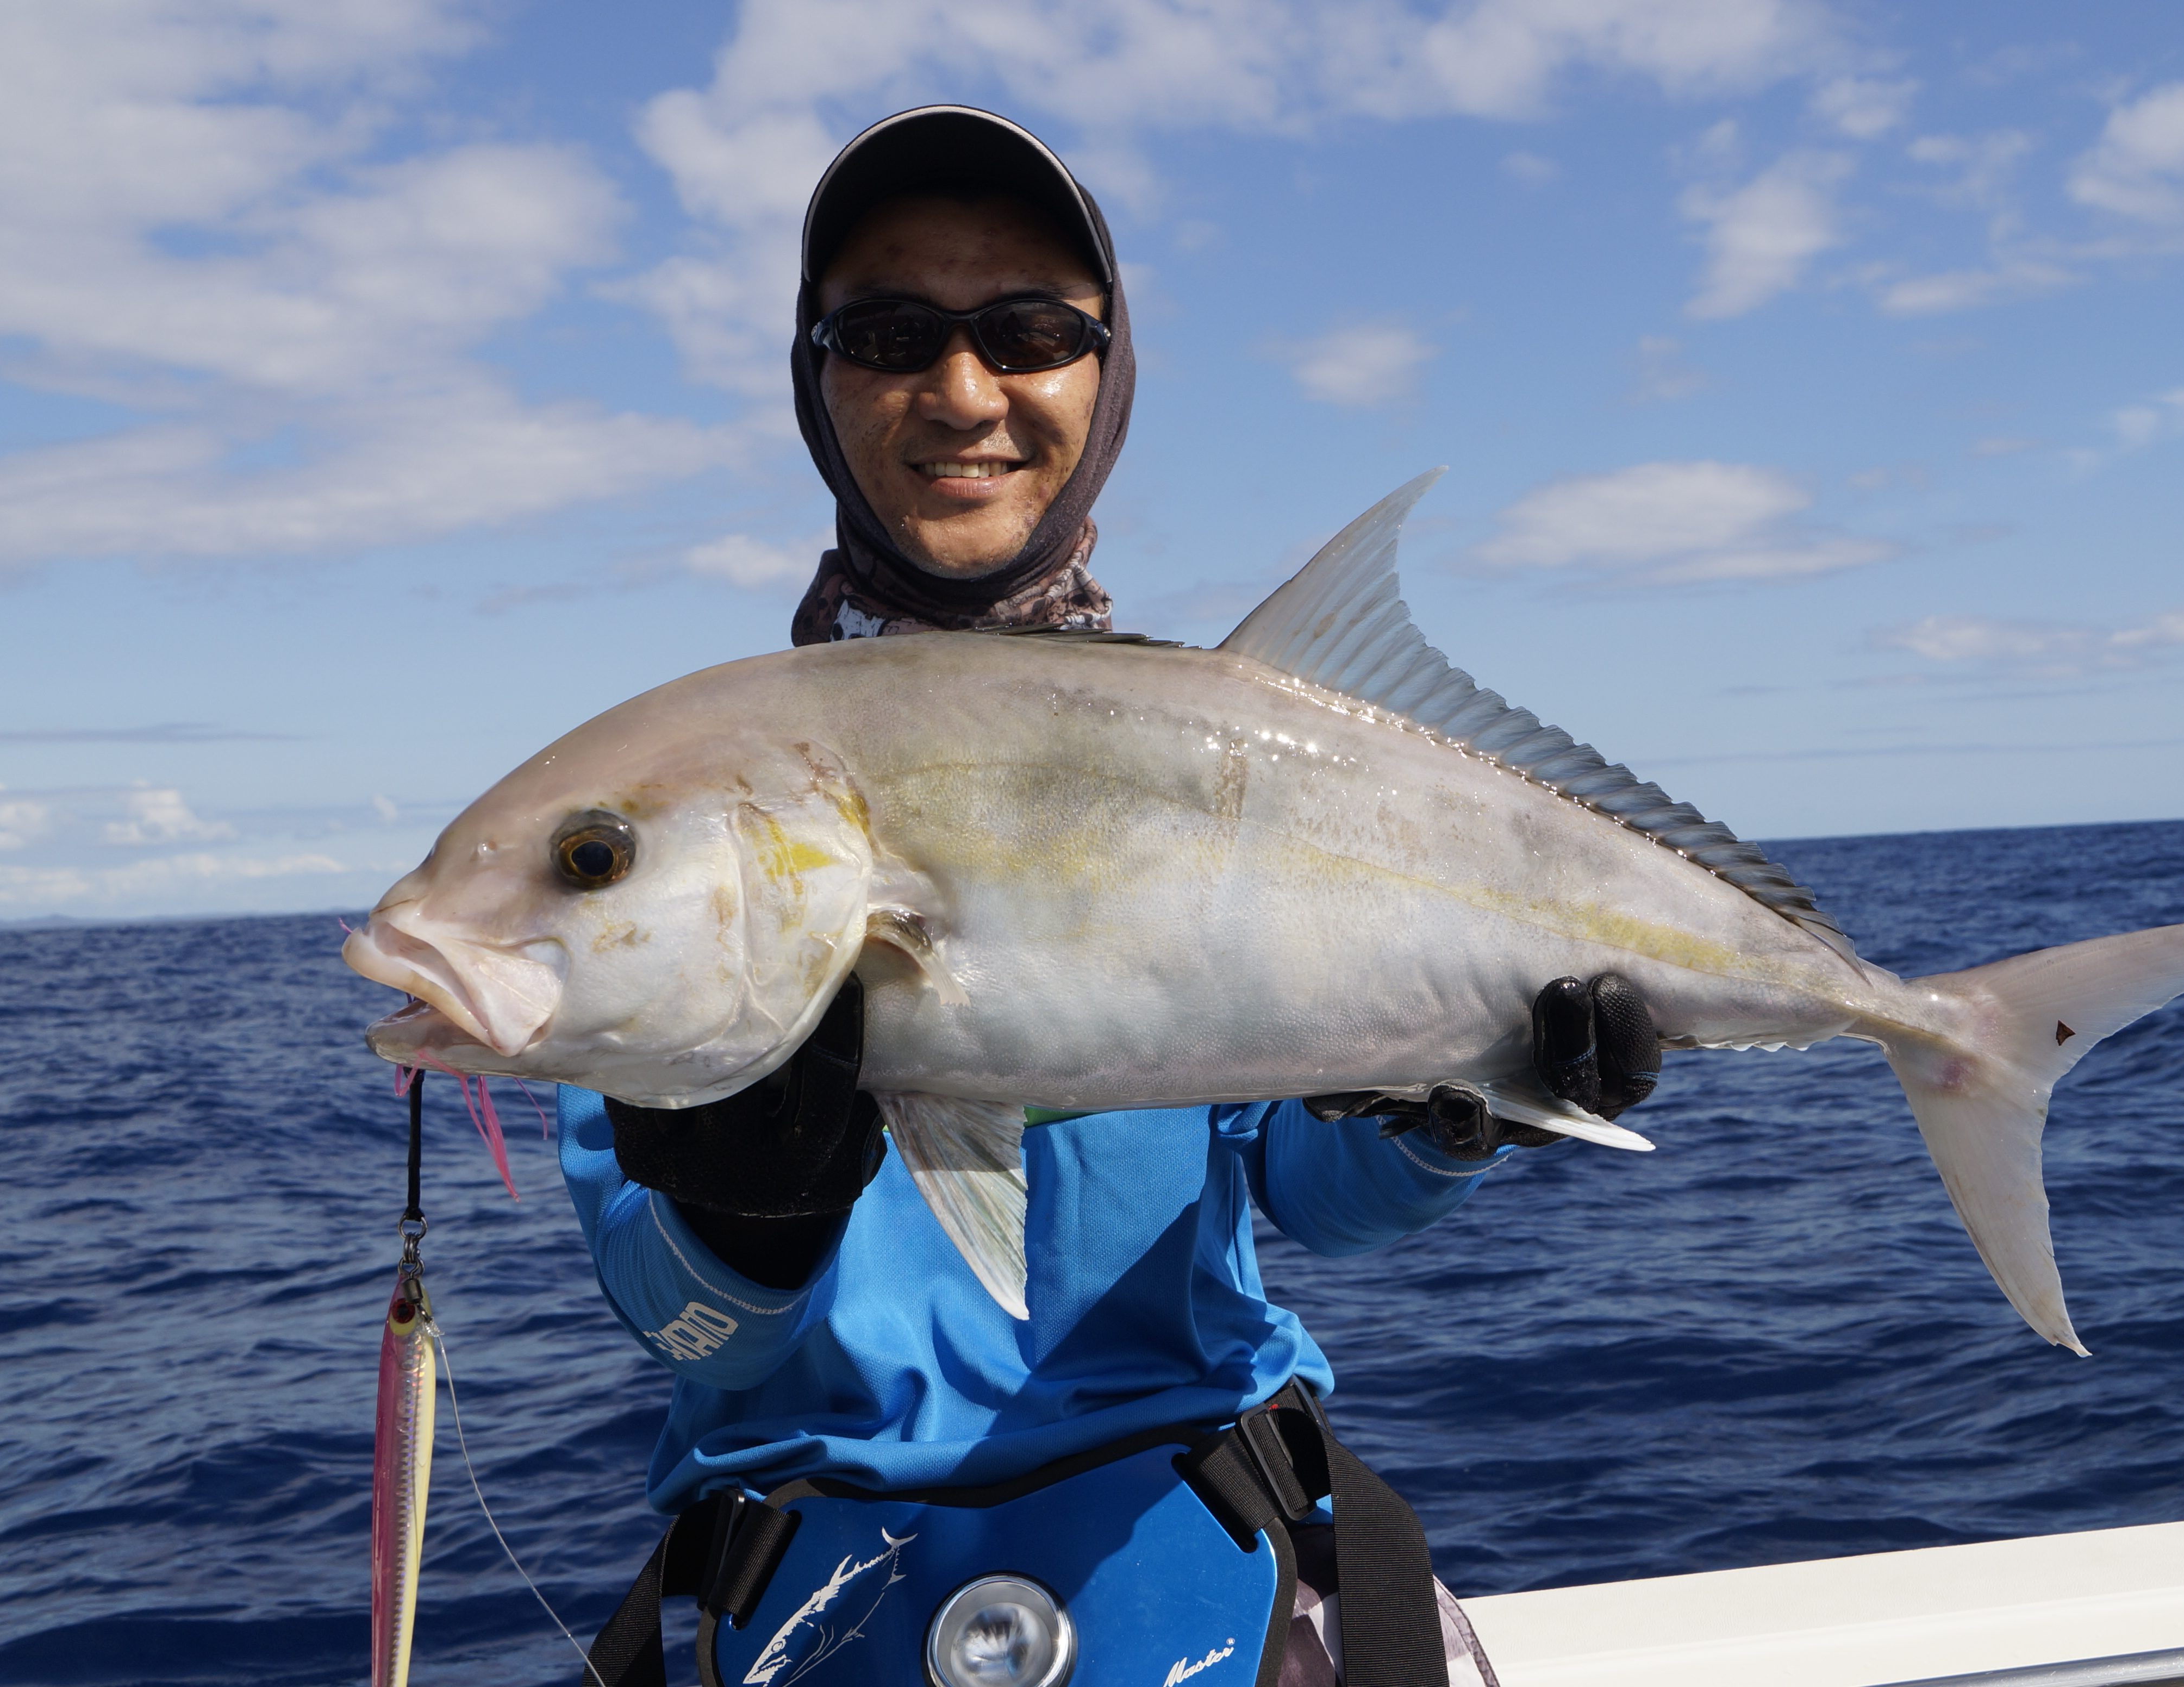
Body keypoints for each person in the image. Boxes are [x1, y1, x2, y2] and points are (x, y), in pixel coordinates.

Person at [559, 105, 1659, 1687]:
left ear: (1107, 374)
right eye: (887, 334)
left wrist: (1454, 1106)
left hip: (1216, 1535)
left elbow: (1307, 1186)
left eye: (1029, 331)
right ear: (819, 382)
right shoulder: (697, 818)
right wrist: (746, 1221)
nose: (961, 392)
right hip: (821, 1595)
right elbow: (688, 1334)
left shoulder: (1229, 757)